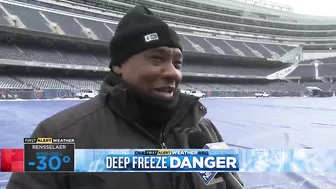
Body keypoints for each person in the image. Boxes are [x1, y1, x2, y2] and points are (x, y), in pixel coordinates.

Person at [7, 5, 244, 189]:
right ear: (119, 64)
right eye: (157, 59)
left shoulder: (205, 132)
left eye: (178, 62)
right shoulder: (57, 135)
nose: (173, 72)